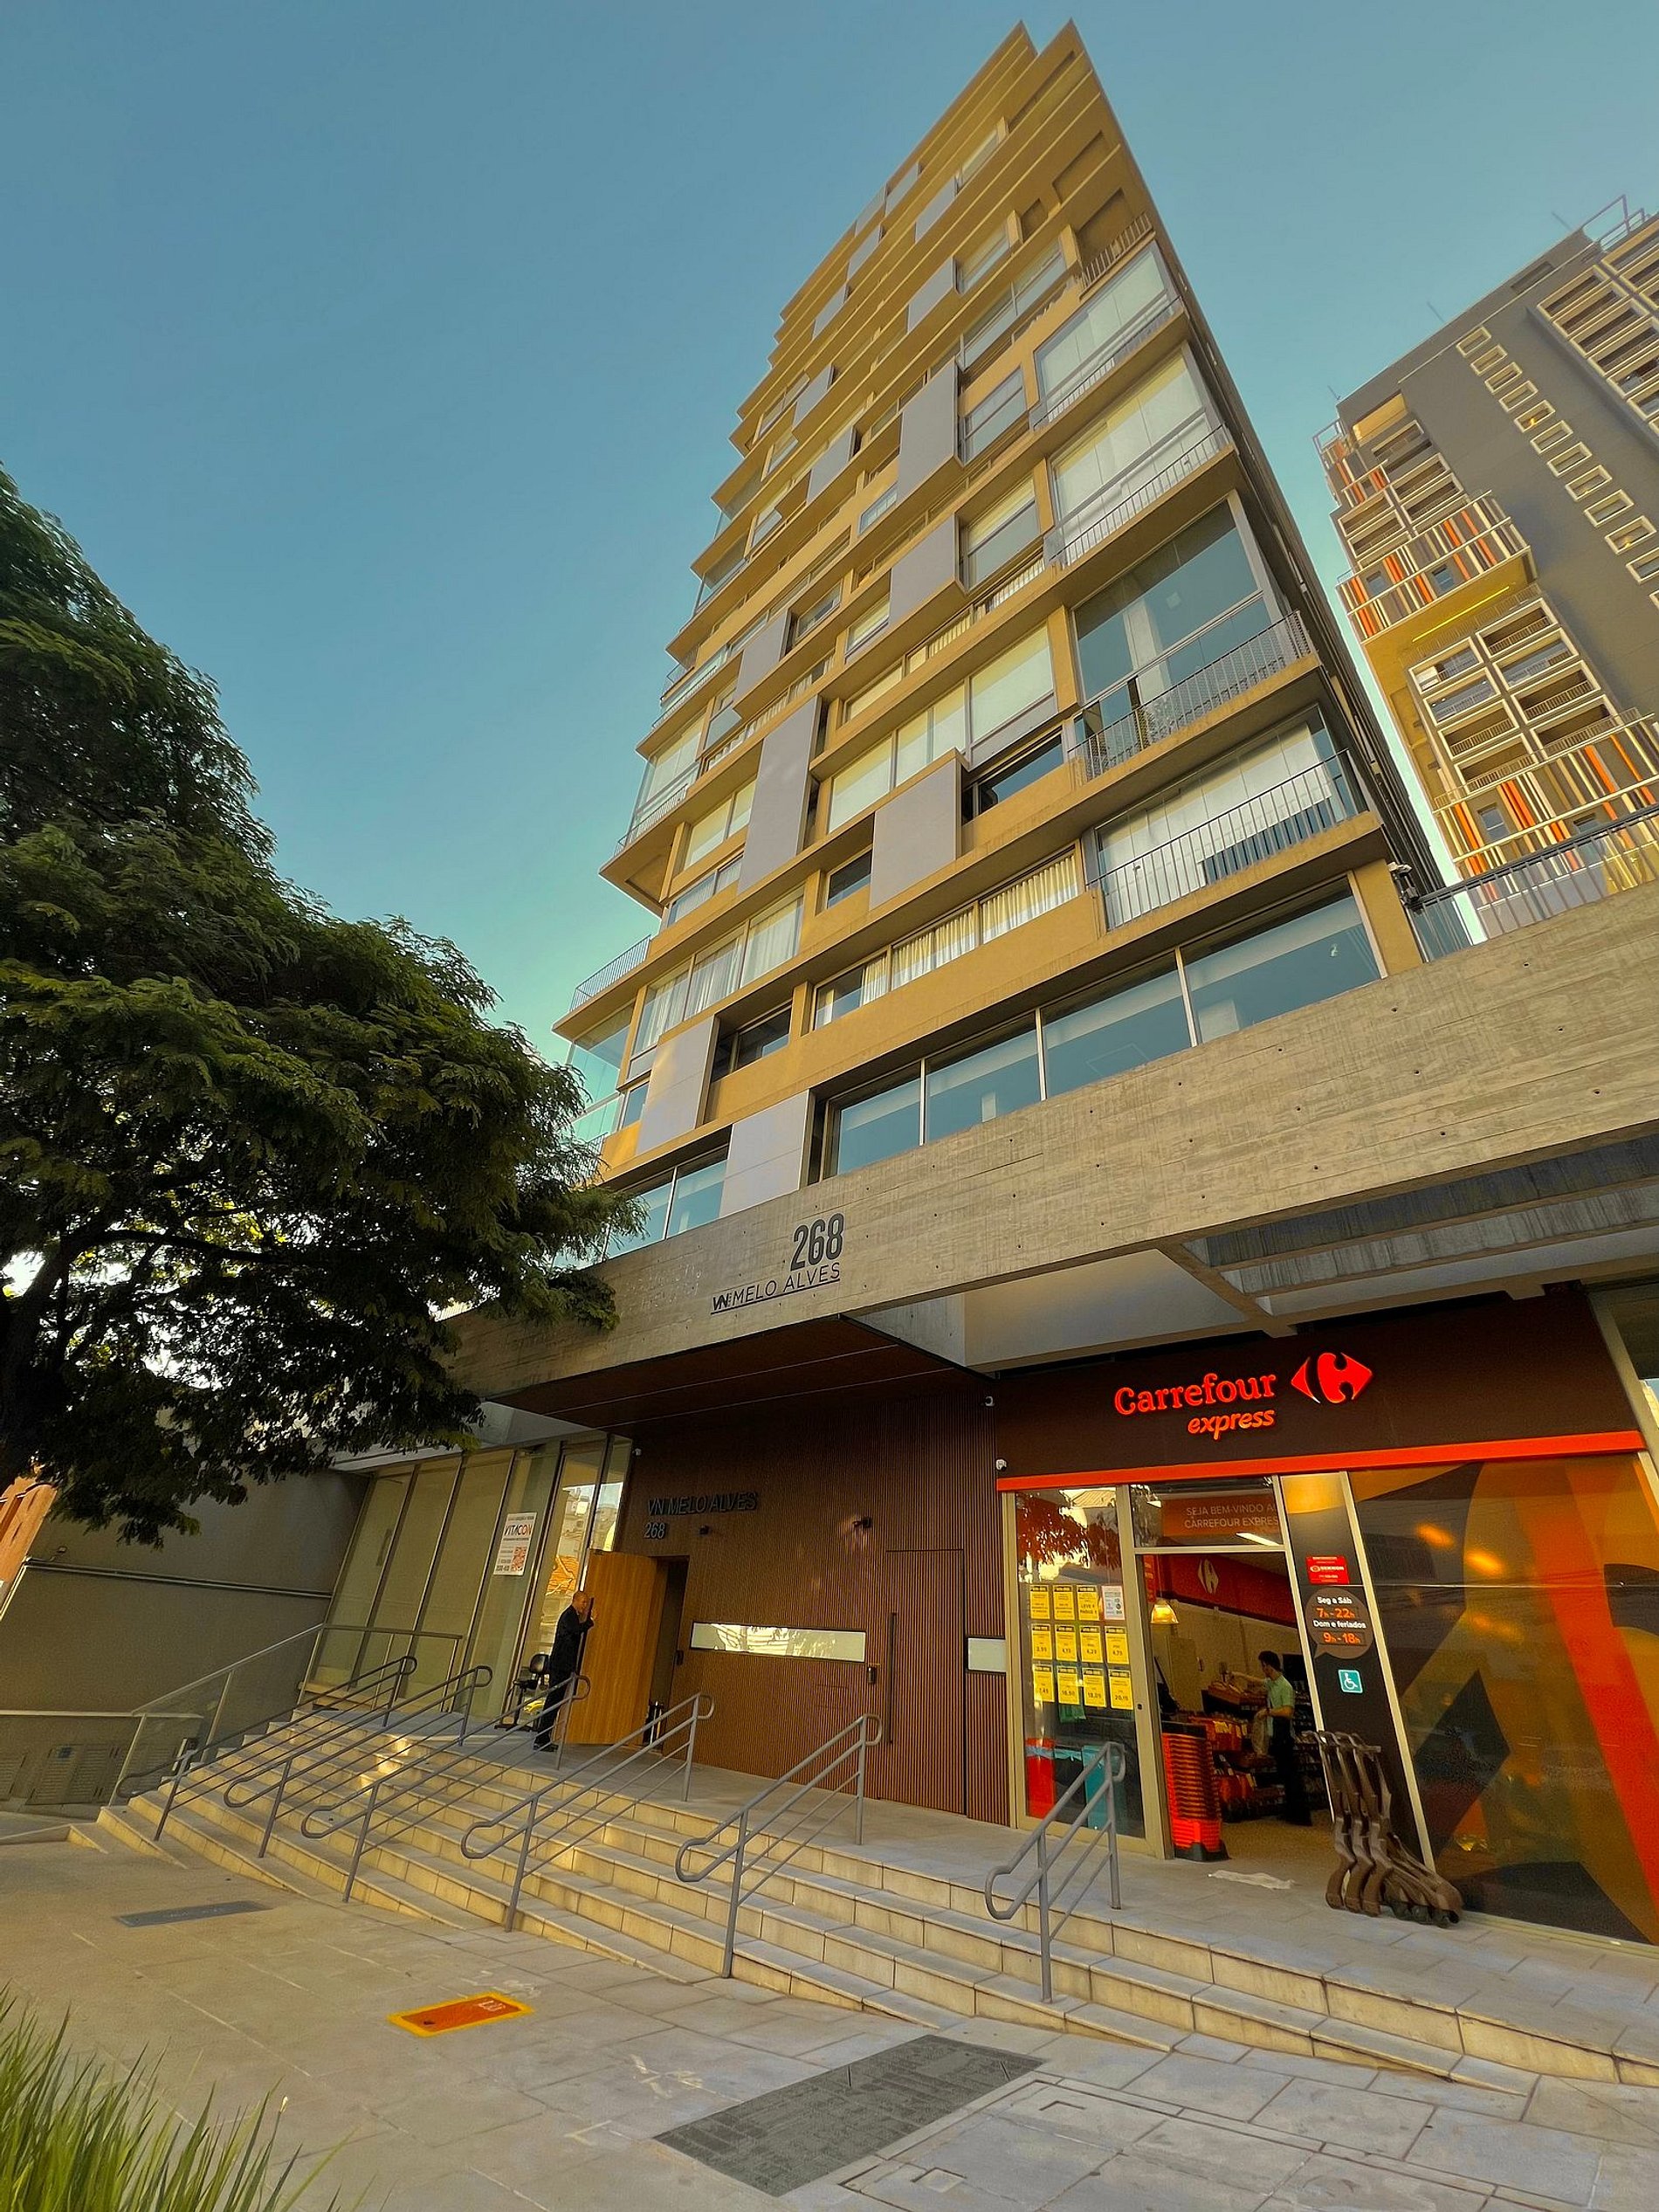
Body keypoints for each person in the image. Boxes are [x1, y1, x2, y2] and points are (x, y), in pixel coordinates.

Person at [533, 1589, 595, 1751]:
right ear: (575, 1600)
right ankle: (541, 1738)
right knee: (553, 1701)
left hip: (563, 1666)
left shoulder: (572, 1616)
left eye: (586, 1603)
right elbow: (576, 1631)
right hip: (560, 1666)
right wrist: (590, 1622)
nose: (584, 1606)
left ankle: (544, 1737)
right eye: (583, 1602)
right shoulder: (569, 1616)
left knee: (555, 1702)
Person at [1259, 1650, 1311, 1825]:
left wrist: (1268, 1712)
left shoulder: (1285, 1686)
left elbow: (1288, 1712)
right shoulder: (1272, 1684)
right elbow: (1257, 1681)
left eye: (1263, 1666)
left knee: (1291, 1776)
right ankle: (1291, 1811)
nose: (1262, 1669)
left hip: (1285, 1736)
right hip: (1278, 1735)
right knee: (1286, 1775)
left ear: (1269, 1666)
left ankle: (1300, 1814)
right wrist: (1238, 1675)